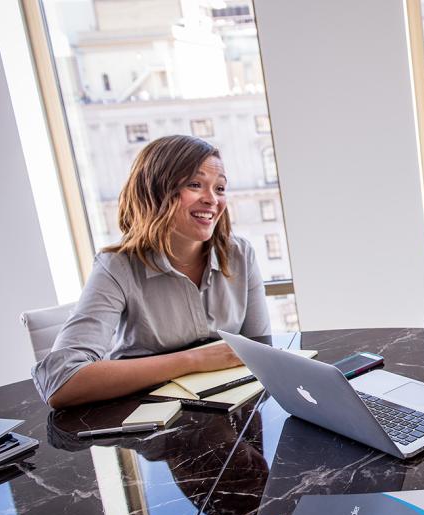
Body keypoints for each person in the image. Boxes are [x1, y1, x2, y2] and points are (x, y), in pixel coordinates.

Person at [33, 135, 270, 408]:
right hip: (150, 423)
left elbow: (260, 351)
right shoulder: (118, 265)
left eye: (219, 188)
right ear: (155, 190)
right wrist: (194, 361)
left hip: (233, 410)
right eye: (195, 184)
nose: (211, 200)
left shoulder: (240, 254)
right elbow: (61, 381)